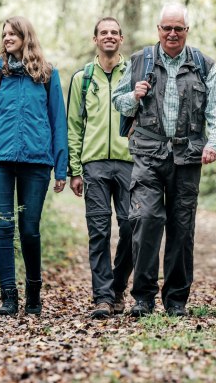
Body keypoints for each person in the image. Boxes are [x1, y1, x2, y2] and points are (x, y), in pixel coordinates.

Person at [112, 2, 216, 317]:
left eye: (179, 28)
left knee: (182, 227)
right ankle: (143, 298)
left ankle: (176, 300)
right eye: (167, 28)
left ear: (187, 31)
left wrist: (215, 142)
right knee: (146, 220)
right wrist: (132, 95)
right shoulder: (139, 61)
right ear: (158, 29)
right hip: (148, 154)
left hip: (188, 156)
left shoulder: (203, 64)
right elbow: (118, 103)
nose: (172, 33)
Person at [0, 16, 68, 316]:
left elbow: (58, 122)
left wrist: (61, 168)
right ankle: (8, 297)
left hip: (37, 162)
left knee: (29, 229)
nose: (7, 37)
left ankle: (34, 294)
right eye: (4, 34)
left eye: (13, 33)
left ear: (26, 36)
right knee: (3, 227)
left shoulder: (47, 75)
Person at [67, 17, 133, 319]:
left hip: (129, 163)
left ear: (121, 38)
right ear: (96, 39)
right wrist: (75, 169)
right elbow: (74, 126)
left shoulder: (133, 74)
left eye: (114, 33)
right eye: (103, 32)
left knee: (133, 227)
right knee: (99, 232)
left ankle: (118, 286)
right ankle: (103, 298)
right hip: (93, 165)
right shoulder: (83, 78)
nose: (109, 37)